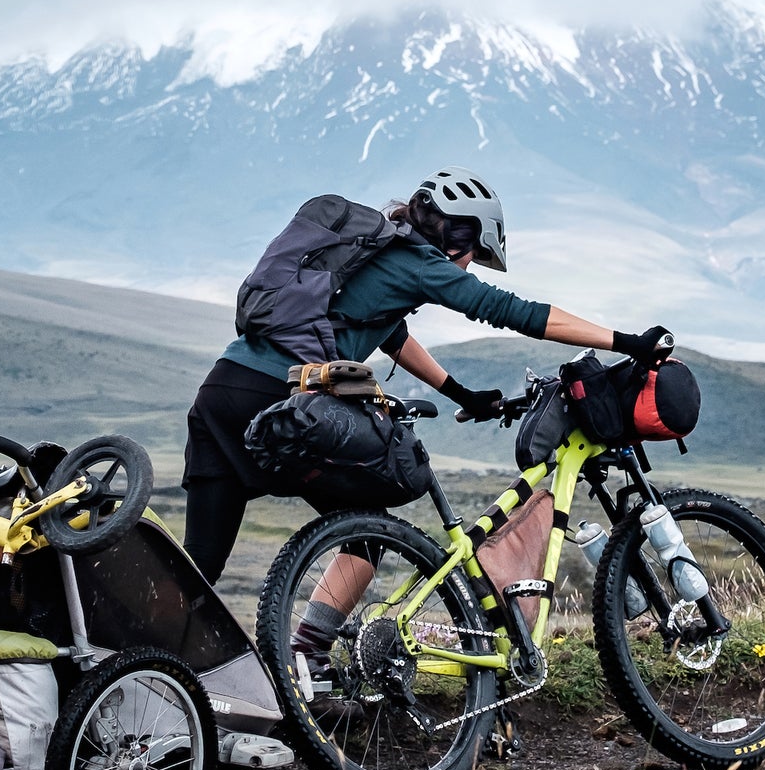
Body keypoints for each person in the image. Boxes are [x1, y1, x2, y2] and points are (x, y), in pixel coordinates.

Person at [181, 165, 671, 606]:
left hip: (222, 394)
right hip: (279, 399)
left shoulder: (376, 255)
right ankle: (306, 658)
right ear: (459, 234)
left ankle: (131, 664)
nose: (466, 267)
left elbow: (391, 333)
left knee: (197, 570)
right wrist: (626, 341)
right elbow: (512, 311)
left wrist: (459, 392)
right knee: (367, 532)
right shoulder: (418, 261)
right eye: (474, 254)